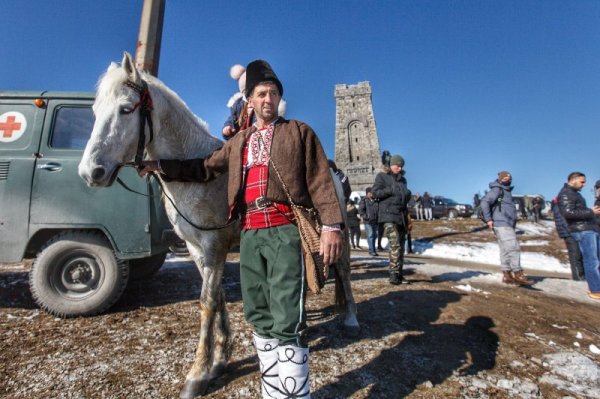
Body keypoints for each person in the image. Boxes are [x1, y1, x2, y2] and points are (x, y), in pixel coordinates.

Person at [139, 59, 344, 398]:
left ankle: (292, 394)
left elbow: (321, 180)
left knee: (287, 311)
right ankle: (273, 390)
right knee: (258, 312)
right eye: (262, 93)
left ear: (279, 99)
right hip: (249, 233)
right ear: (249, 100)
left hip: (282, 230)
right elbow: (204, 167)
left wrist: (332, 226)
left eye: (274, 93)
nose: (268, 99)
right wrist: (158, 165)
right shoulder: (240, 142)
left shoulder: (300, 132)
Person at [480, 171, 534, 286]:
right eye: (504, 177)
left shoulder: (505, 191)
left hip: (504, 224)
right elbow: (484, 202)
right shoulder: (497, 190)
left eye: (509, 177)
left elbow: (500, 205)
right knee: (514, 248)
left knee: (505, 250)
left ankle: (507, 275)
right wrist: (488, 219)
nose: (507, 179)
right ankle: (518, 273)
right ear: (500, 179)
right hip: (502, 223)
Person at [557, 172, 600, 300]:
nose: (584, 184)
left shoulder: (575, 194)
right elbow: (568, 213)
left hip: (589, 228)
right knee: (591, 260)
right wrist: (590, 211)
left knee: (596, 259)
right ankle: (595, 289)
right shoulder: (566, 194)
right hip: (582, 230)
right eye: (582, 182)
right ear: (572, 181)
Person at [372, 154, 412, 285]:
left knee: (400, 246)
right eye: (397, 165)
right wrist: (390, 190)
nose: (399, 168)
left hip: (401, 216)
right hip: (388, 216)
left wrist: (409, 196)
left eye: (401, 166)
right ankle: (393, 275)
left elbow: (403, 199)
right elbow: (375, 193)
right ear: (390, 165)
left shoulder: (403, 180)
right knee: (395, 245)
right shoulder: (381, 177)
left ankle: (399, 274)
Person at [551, 197, 585, 280]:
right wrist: (573, 230)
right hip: (569, 233)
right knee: (575, 255)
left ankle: (580, 276)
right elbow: (563, 220)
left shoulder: (558, 205)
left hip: (568, 232)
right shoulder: (560, 206)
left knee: (577, 255)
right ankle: (578, 277)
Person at [359, 187, 380, 256]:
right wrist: (366, 217)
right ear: (368, 193)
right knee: (370, 235)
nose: (373, 194)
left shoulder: (376, 200)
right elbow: (361, 211)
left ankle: (372, 249)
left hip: (375, 221)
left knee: (375, 235)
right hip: (368, 221)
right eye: (371, 192)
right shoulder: (364, 200)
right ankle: (372, 250)